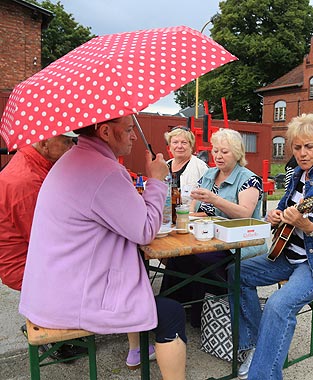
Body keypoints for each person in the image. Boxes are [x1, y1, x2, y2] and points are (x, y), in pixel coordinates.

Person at [19, 116, 187, 379]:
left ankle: (136, 351)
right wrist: (157, 180)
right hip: (71, 299)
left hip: (50, 289)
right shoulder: (102, 170)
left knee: (142, 287)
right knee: (172, 312)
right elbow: (144, 231)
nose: (133, 136)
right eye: (129, 130)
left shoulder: (74, 159)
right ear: (106, 131)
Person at [231, 113, 313, 380]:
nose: (302, 153)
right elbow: (285, 209)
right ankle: (254, 345)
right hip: (288, 254)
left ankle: (262, 375)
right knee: (235, 272)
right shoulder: (298, 174)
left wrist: (308, 226)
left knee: (278, 304)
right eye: (297, 147)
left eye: (309, 146)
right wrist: (275, 216)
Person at [160, 128, 264, 327]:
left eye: (224, 152)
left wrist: (215, 200)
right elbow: (194, 203)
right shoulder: (209, 174)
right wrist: (187, 217)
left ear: (238, 153)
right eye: (215, 151)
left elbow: (244, 214)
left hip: (236, 242)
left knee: (198, 258)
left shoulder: (249, 179)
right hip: (205, 236)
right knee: (176, 254)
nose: (218, 156)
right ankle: (173, 309)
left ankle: (203, 313)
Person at [0, 132, 82, 361]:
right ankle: (54, 332)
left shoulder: (35, 163)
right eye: (66, 141)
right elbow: (45, 240)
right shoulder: (27, 181)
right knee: (98, 265)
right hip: (24, 265)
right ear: (45, 143)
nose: (71, 147)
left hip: (29, 255)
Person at [164, 126, 209, 203]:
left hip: (190, 214)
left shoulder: (201, 167)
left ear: (191, 145)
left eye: (184, 142)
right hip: (165, 213)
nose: (179, 146)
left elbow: (208, 197)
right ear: (169, 146)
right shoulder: (163, 167)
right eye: (175, 142)